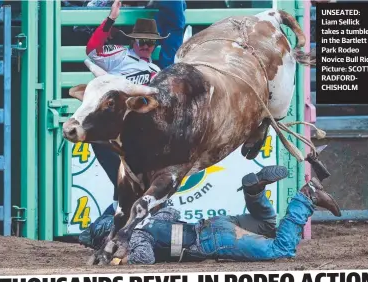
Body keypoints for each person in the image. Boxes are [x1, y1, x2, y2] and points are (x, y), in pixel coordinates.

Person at [101, 165, 342, 265]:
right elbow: (171, 210)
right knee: (267, 224)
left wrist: (122, 259)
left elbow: (145, 259)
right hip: (211, 225)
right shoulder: (143, 219)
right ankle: (254, 192)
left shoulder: (134, 237)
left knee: (281, 250)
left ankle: (306, 197)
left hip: (211, 242)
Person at [78, 0, 168, 247]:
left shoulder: (155, 71)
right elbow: (92, 50)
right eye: (143, 41)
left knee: (129, 190)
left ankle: (98, 230)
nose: (148, 46)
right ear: (133, 42)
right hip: (108, 134)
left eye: (152, 42)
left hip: (131, 140)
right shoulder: (118, 57)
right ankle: (99, 231)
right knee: (125, 189)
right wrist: (110, 19)